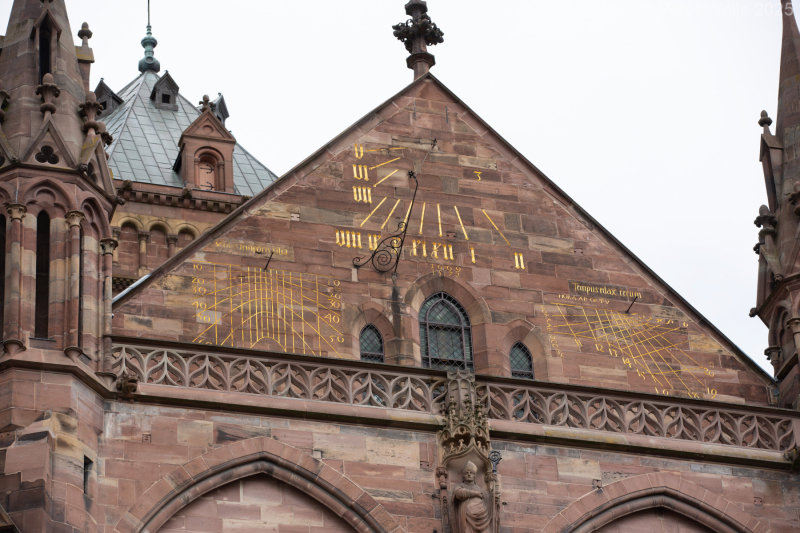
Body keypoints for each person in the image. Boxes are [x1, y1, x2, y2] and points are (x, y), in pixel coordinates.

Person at [452, 461, 492, 533]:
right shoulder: (459, 487)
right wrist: (475, 494)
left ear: (475, 475)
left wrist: (494, 496)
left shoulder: (482, 491)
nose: (469, 475)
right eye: (466, 473)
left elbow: (489, 503)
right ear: (463, 475)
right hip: (466, 517)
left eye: (471, 473)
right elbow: (459, 494)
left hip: (481, 519)